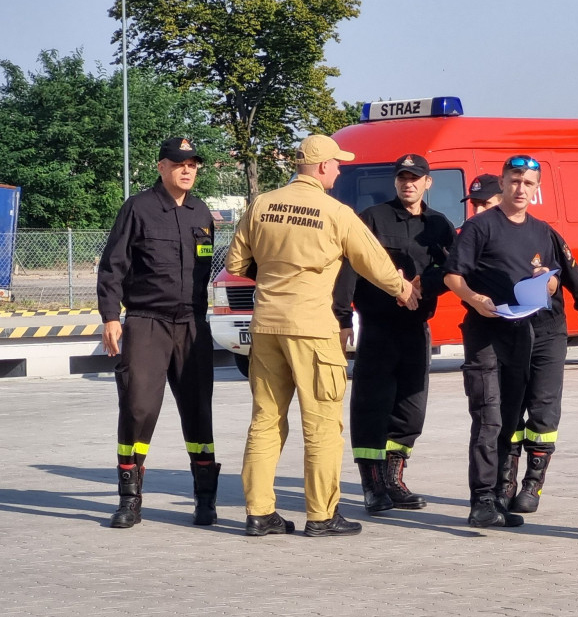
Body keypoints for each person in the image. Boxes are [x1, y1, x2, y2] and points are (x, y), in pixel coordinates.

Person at [226, 134, 417, 538]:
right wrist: (404, 291)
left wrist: (278, 279)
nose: (340, 169)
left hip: (266, 327)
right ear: (323, 167)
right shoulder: (335, 212)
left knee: (265, 422)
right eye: (337, 164)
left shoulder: (261, 204)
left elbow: (237, 261)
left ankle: (259, 513)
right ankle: (322, 515)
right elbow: (374, 263)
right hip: (312, 329)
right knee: (322, 424)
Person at [97, 136, 220, 529]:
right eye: (179, 163)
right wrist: (110, 316)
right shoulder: (139, 207)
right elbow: (113, 264)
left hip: (191, 325)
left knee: (199, 410)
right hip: (146, 321)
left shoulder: (202, 213)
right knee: (138, 407)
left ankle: (205, 499)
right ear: (161, 167)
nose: (187, 169)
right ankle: (129, 500)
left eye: (193, 164)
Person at [443, 155, 564, 528]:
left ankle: (499, 497)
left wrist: (547, 281)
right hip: (485, 334)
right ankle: (481, 500)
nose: (521, 188)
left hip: (520, 335)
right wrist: (475, 300)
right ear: (503, 182)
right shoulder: (480, 226)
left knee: (510, 418)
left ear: (537, 188)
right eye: (514, 181)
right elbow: (452, 276)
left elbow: (555, 280)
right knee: (488, 418)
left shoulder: (542, 231)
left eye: (528, 183)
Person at [334, 153, 455, 513]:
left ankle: (393, 480)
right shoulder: (372, 218)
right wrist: (342, 318)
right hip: (378, 327)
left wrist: (424, 285)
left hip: (416, 327)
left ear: (427, 182)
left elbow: (451, 268)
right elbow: (350, 270)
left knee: (410, 408)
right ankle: (372, 486)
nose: (409, 183)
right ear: (395, 182)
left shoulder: (439, 224)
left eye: (415, 178)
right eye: (402, 177)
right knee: (372, 406)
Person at [499, 229, 578, 514]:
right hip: (507, 331)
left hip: (548, 330)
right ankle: (506, 482)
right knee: (509, 409)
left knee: (544, 407)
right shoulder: (485, 232)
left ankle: (533, 484)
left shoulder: (543, 233)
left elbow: (572, 270)